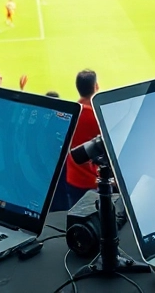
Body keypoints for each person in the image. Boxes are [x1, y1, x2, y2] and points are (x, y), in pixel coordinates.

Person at [58, 69, 102, 210]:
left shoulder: (70, 114)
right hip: (92, 182)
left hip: (72, 179)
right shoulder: (97, 118)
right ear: (96, 87)